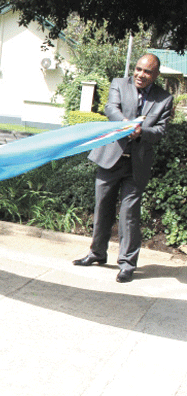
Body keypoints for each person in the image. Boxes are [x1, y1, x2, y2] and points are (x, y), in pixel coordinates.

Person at [73, 54, 172, 283]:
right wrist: (129, 126)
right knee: (102, 208)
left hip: (137, 164)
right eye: (138, 69)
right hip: (110, 159)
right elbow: (111, 109)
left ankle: (127, 264)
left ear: (156, 75)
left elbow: (159, 132)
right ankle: (97, 253)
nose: (141, 75)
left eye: (147, 72)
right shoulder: (119, 84)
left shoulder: (164, 99)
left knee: (129, 216)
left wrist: (142, 132)